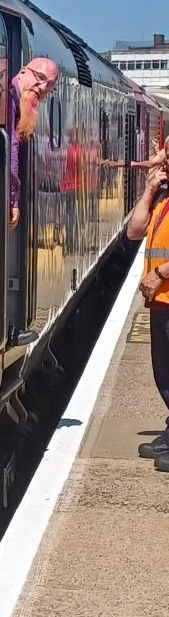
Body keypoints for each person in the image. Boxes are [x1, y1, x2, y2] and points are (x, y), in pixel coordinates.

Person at [127, 137, 169, 469]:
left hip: (164, 290)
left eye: (168, 153)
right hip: (161, 300)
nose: (161, 159)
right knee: (164, 373)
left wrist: (159, 273)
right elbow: (133, 231)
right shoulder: (163, 195)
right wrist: (148, 191)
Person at [8, 57, 59, 228]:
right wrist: (12, 200)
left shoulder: (17, 101)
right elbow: (10, 150)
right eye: (40, 77)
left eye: (50, 85)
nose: (43, 87)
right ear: (23, 72)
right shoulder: (7, 100)